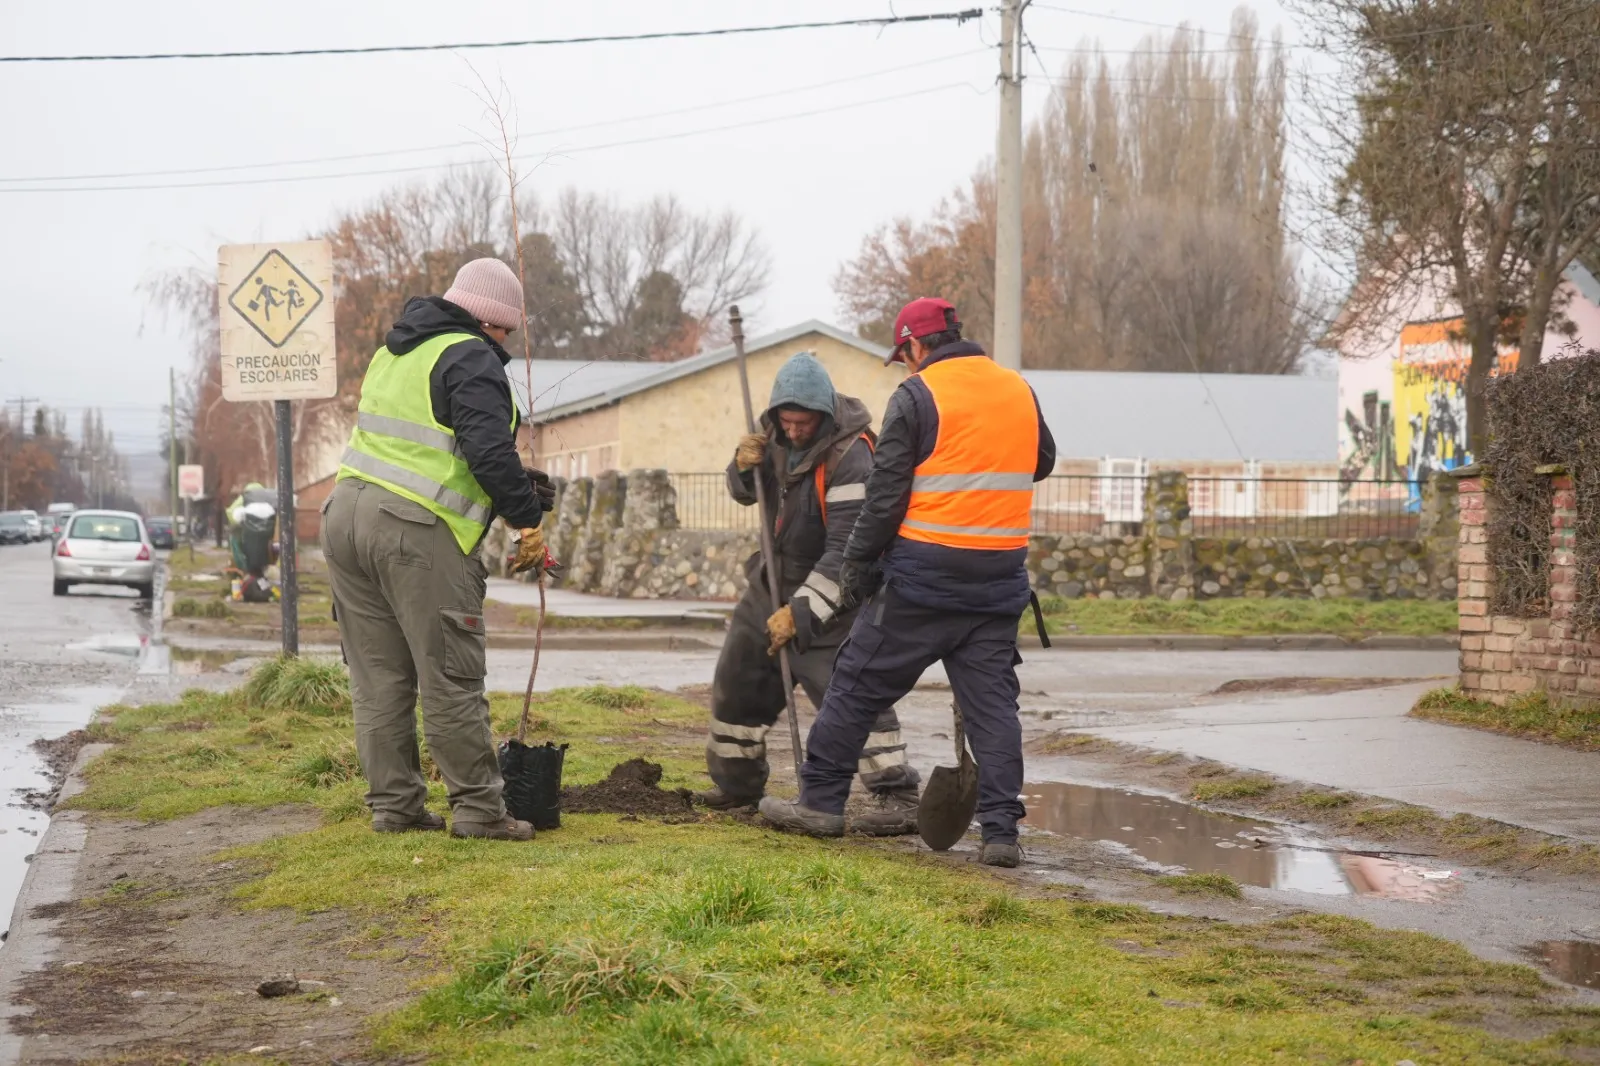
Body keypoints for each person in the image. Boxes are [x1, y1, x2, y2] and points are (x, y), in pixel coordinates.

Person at [759, 297, 1056, 867]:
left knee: (854, 684)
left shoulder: (918, 395)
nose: (907, 364)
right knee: (994, 711)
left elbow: (885, 496)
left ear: (915, 345)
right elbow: (1041, 461)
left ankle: (820, 803)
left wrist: (856, 568)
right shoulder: (1018, 388)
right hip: (997, 583)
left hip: (922, 583)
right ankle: (1000, 835)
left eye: (905, 355)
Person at [323, 257, 556, 841]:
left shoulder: (395, 351)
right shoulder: (470, 355)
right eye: (506, 330)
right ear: (488, 320)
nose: (505, 343)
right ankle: (479, 810)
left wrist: (513, 480)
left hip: (345, 515)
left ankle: (395, 808)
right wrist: (527, 520)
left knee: (379, 678)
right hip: (413, 532)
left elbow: (430, 446)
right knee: (451, 674)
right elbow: (485, 452)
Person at [695, 352, 921, 834]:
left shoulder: (852, 456)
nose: (794, 431)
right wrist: (741, 468)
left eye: (803, 423)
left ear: (824, 416)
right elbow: (745, 493)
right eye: (787, 422)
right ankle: (737, 784)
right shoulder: (771, 437)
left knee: (850, 694)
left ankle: (898, 794)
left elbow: (847, 552)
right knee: (737, 681)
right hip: (770, 581)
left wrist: (800, 612)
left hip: (834, 594)